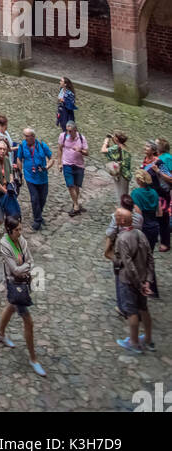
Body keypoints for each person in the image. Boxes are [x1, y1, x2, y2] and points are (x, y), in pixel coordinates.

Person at [0, 215, 46, 376]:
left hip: (23, 282)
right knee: (29, 322)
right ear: (9, 231)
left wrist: (25, 266)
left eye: (20, 229)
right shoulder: (5, 244)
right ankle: (33, 359)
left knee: (11, 306)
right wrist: (26, 266)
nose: (20, 232)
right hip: (15, 284)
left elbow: (29, 259)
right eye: (17, 230)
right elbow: (15, 269)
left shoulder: (21, 239)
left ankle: (0, 334)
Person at [112, 209, 155, 353]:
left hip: (130, 281)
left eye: (117, 216)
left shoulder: (123, 238)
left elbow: (128, 265)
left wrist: (139, 285)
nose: (115, 217)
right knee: (144, 309)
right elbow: (150, 257)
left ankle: (134, 342)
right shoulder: (140, 234)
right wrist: (148, 281)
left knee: (132, 312)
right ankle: (148, 338)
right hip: (143, 278)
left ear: (123, 221)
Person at [14, 127, 51, 233]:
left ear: (33, 137)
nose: (25, 138)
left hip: (43, 178)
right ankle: (37, 219)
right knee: (34, 198)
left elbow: (51, 158)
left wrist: (46, 167)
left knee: (42, 198)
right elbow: (19, 159)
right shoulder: (22, 145)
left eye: (27, 136)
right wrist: (20, 172)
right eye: (24, 136)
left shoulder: (42, 145)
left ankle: (38, 214)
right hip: (30, 177)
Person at [56, 119, 88, 215]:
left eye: (70, 131)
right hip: (67, 164)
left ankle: (75, 204)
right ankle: (76, 205)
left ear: (75, 130)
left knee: (76, 186)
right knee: (70, 186)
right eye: (67, 130)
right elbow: (59, 149)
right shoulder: (63, 136)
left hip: (79, 165)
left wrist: (80, 150)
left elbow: (87, 152)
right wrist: (59, 163)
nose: (68, 132)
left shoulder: (82, 138)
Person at [101, 131, 132, 202]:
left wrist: (106, 141)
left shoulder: (116, 147)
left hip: (120, 174)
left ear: (117, 139)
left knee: (121, 195)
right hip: (125, 174)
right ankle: (123, 209)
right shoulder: (124, 147)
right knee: (123, 193)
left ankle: (123, 210)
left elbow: (103, 150)